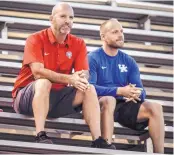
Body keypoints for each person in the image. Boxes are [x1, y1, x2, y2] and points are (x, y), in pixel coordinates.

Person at [12, 2, 115, 149]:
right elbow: (37, 72)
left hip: (57, 99)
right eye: (63, 16)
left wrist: (81, 78)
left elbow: (84, 73)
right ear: (51, 19)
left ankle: (98, 140)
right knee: (43, 82)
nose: (68, 20)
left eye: (71, 17)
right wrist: (70, 78)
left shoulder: (78, 43)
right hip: (27, 99)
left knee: (89, 88)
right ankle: (40, 134)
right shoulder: (35, 39)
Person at [88, 18, 165, 153]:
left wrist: (135, 93)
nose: (120, 35)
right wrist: (119, 91)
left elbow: (141, 91)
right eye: (115, 32)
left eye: (122, 31)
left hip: (124, 105)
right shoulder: (93, 57)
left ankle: (160, 153)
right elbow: (90, 87)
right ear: (103, 37)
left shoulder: (129, 61)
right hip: (99, 104)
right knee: (109, 100)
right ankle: (105, 148)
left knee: (155, 107)